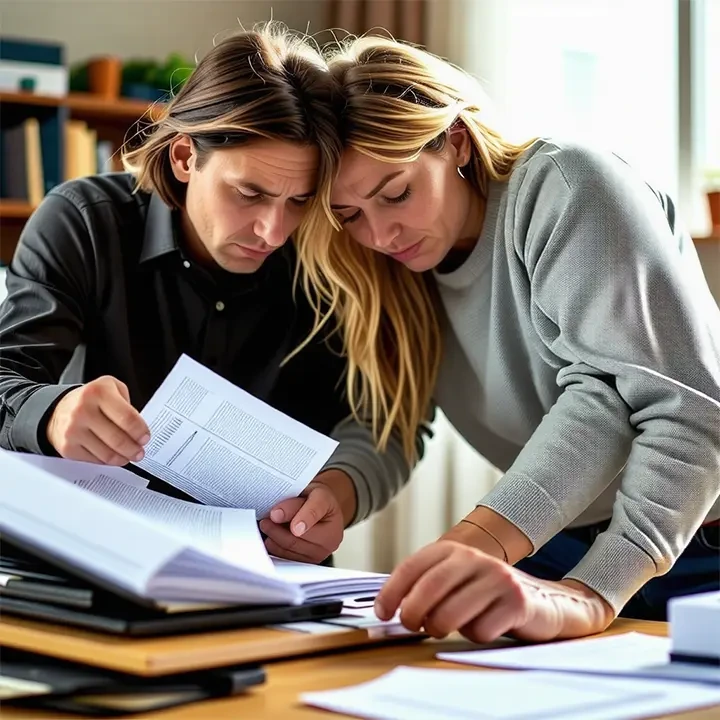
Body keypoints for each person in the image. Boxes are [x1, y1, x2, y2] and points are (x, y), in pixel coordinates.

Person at [295, 35, 720, 641]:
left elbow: (683, 405)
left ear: (457, 142)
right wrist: (337, 493)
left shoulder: (564, 184)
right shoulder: (388, 270)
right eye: (351, 215)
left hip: (695, 535)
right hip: (558, 540)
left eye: (396, 193)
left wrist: (587, 587)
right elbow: (393, 417)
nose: (382, 233)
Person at [0, 26, 427, 565]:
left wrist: (339, 495)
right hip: (87, 553)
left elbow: (386, 417)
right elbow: (5, 375)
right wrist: (54, 413)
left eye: (299, 200)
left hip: (269, 570)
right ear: (184, 157)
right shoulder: (85, 224)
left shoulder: (339, 259)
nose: (273, 231)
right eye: (249, 194)